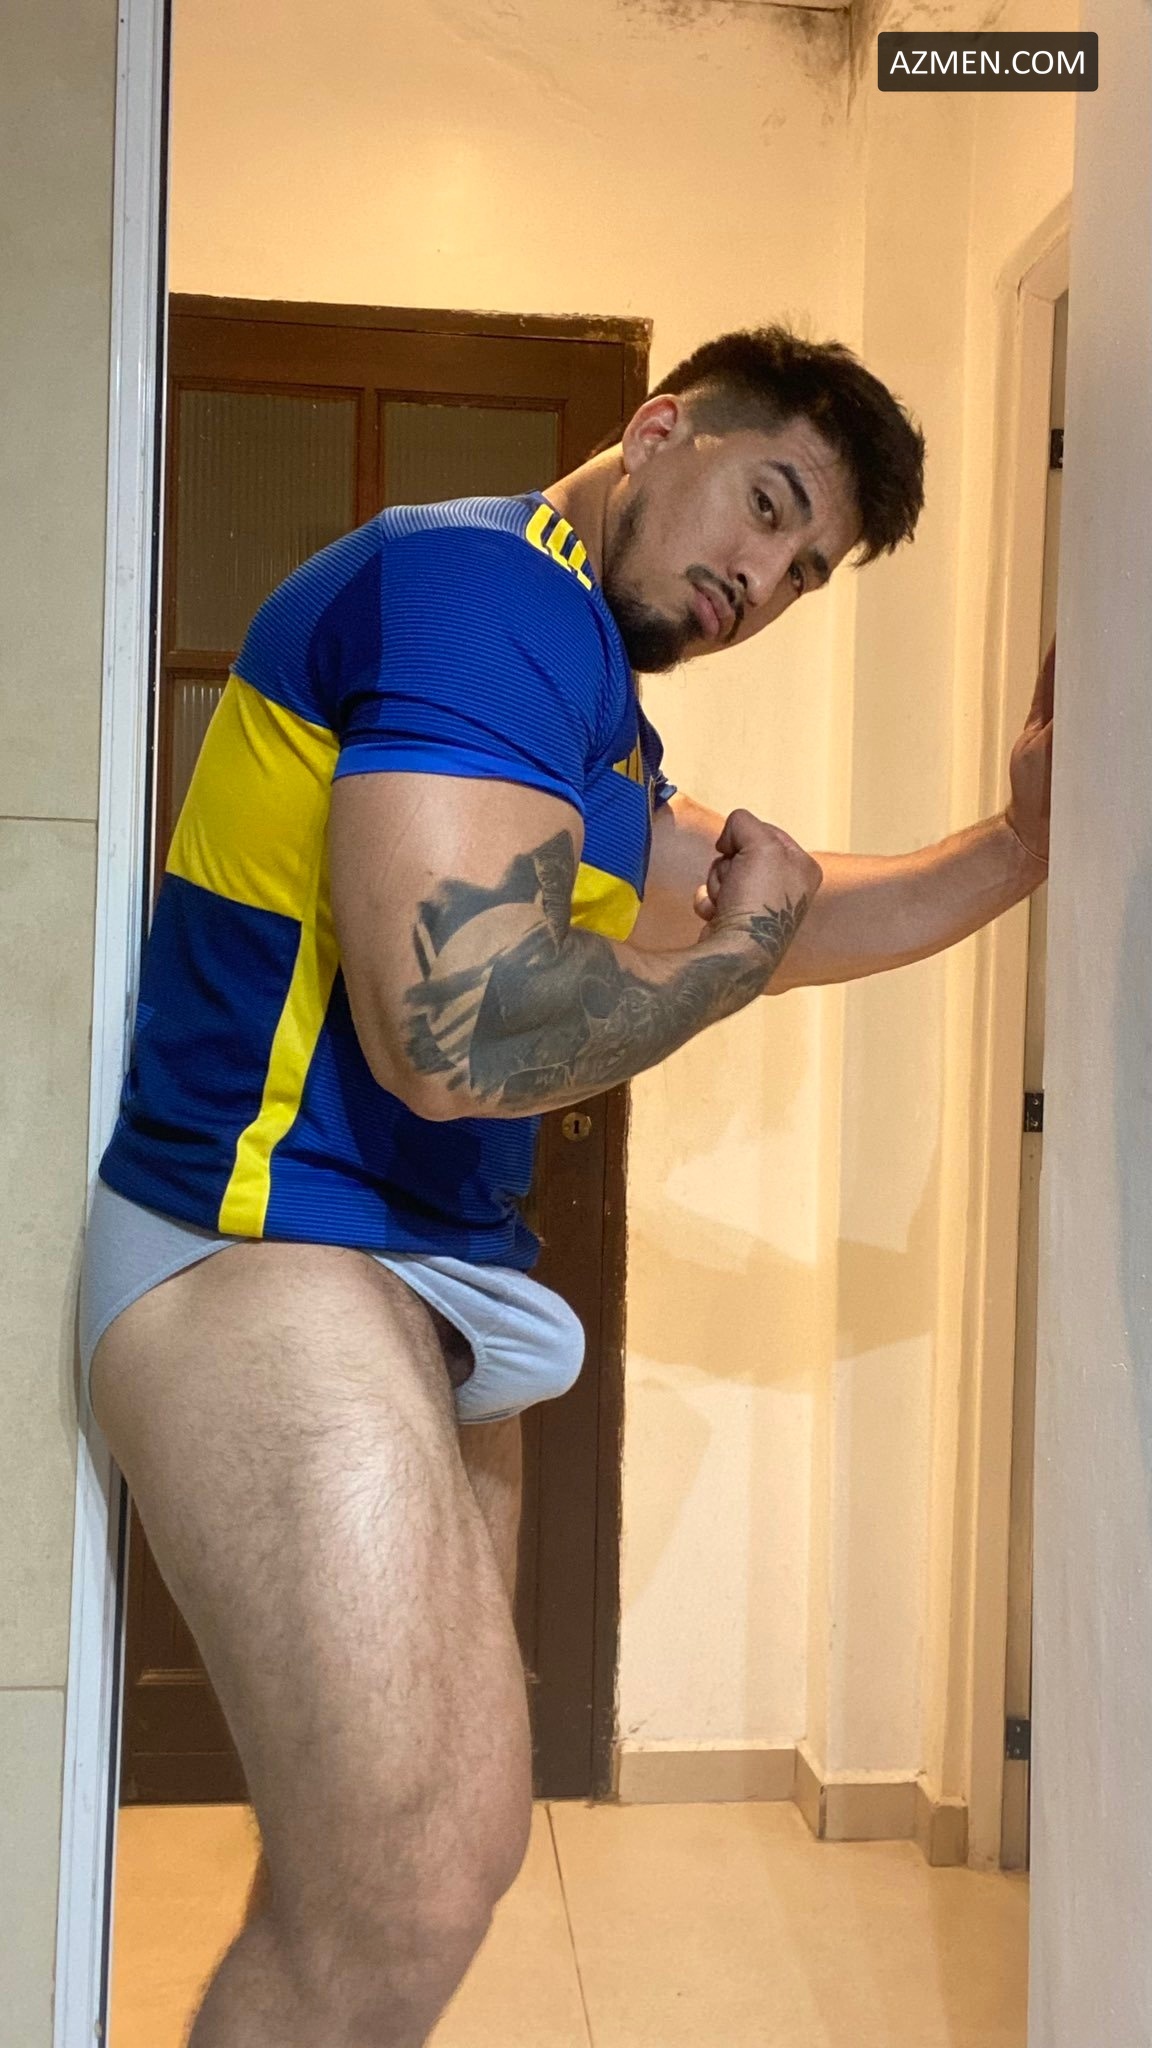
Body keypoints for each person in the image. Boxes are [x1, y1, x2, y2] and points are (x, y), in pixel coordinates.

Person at [83, 325, 1052, 2048]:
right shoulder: (486, 592)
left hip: (418, 1283)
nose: (764, 581)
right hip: (264, 1248)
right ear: (659, 428)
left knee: (417, 1878)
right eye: (768, 506)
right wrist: (731, 956)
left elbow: (786, 909)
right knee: (405, 1880)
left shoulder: (588, 716)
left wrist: (1023, 844)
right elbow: (452, 1041)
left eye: (805, 570)